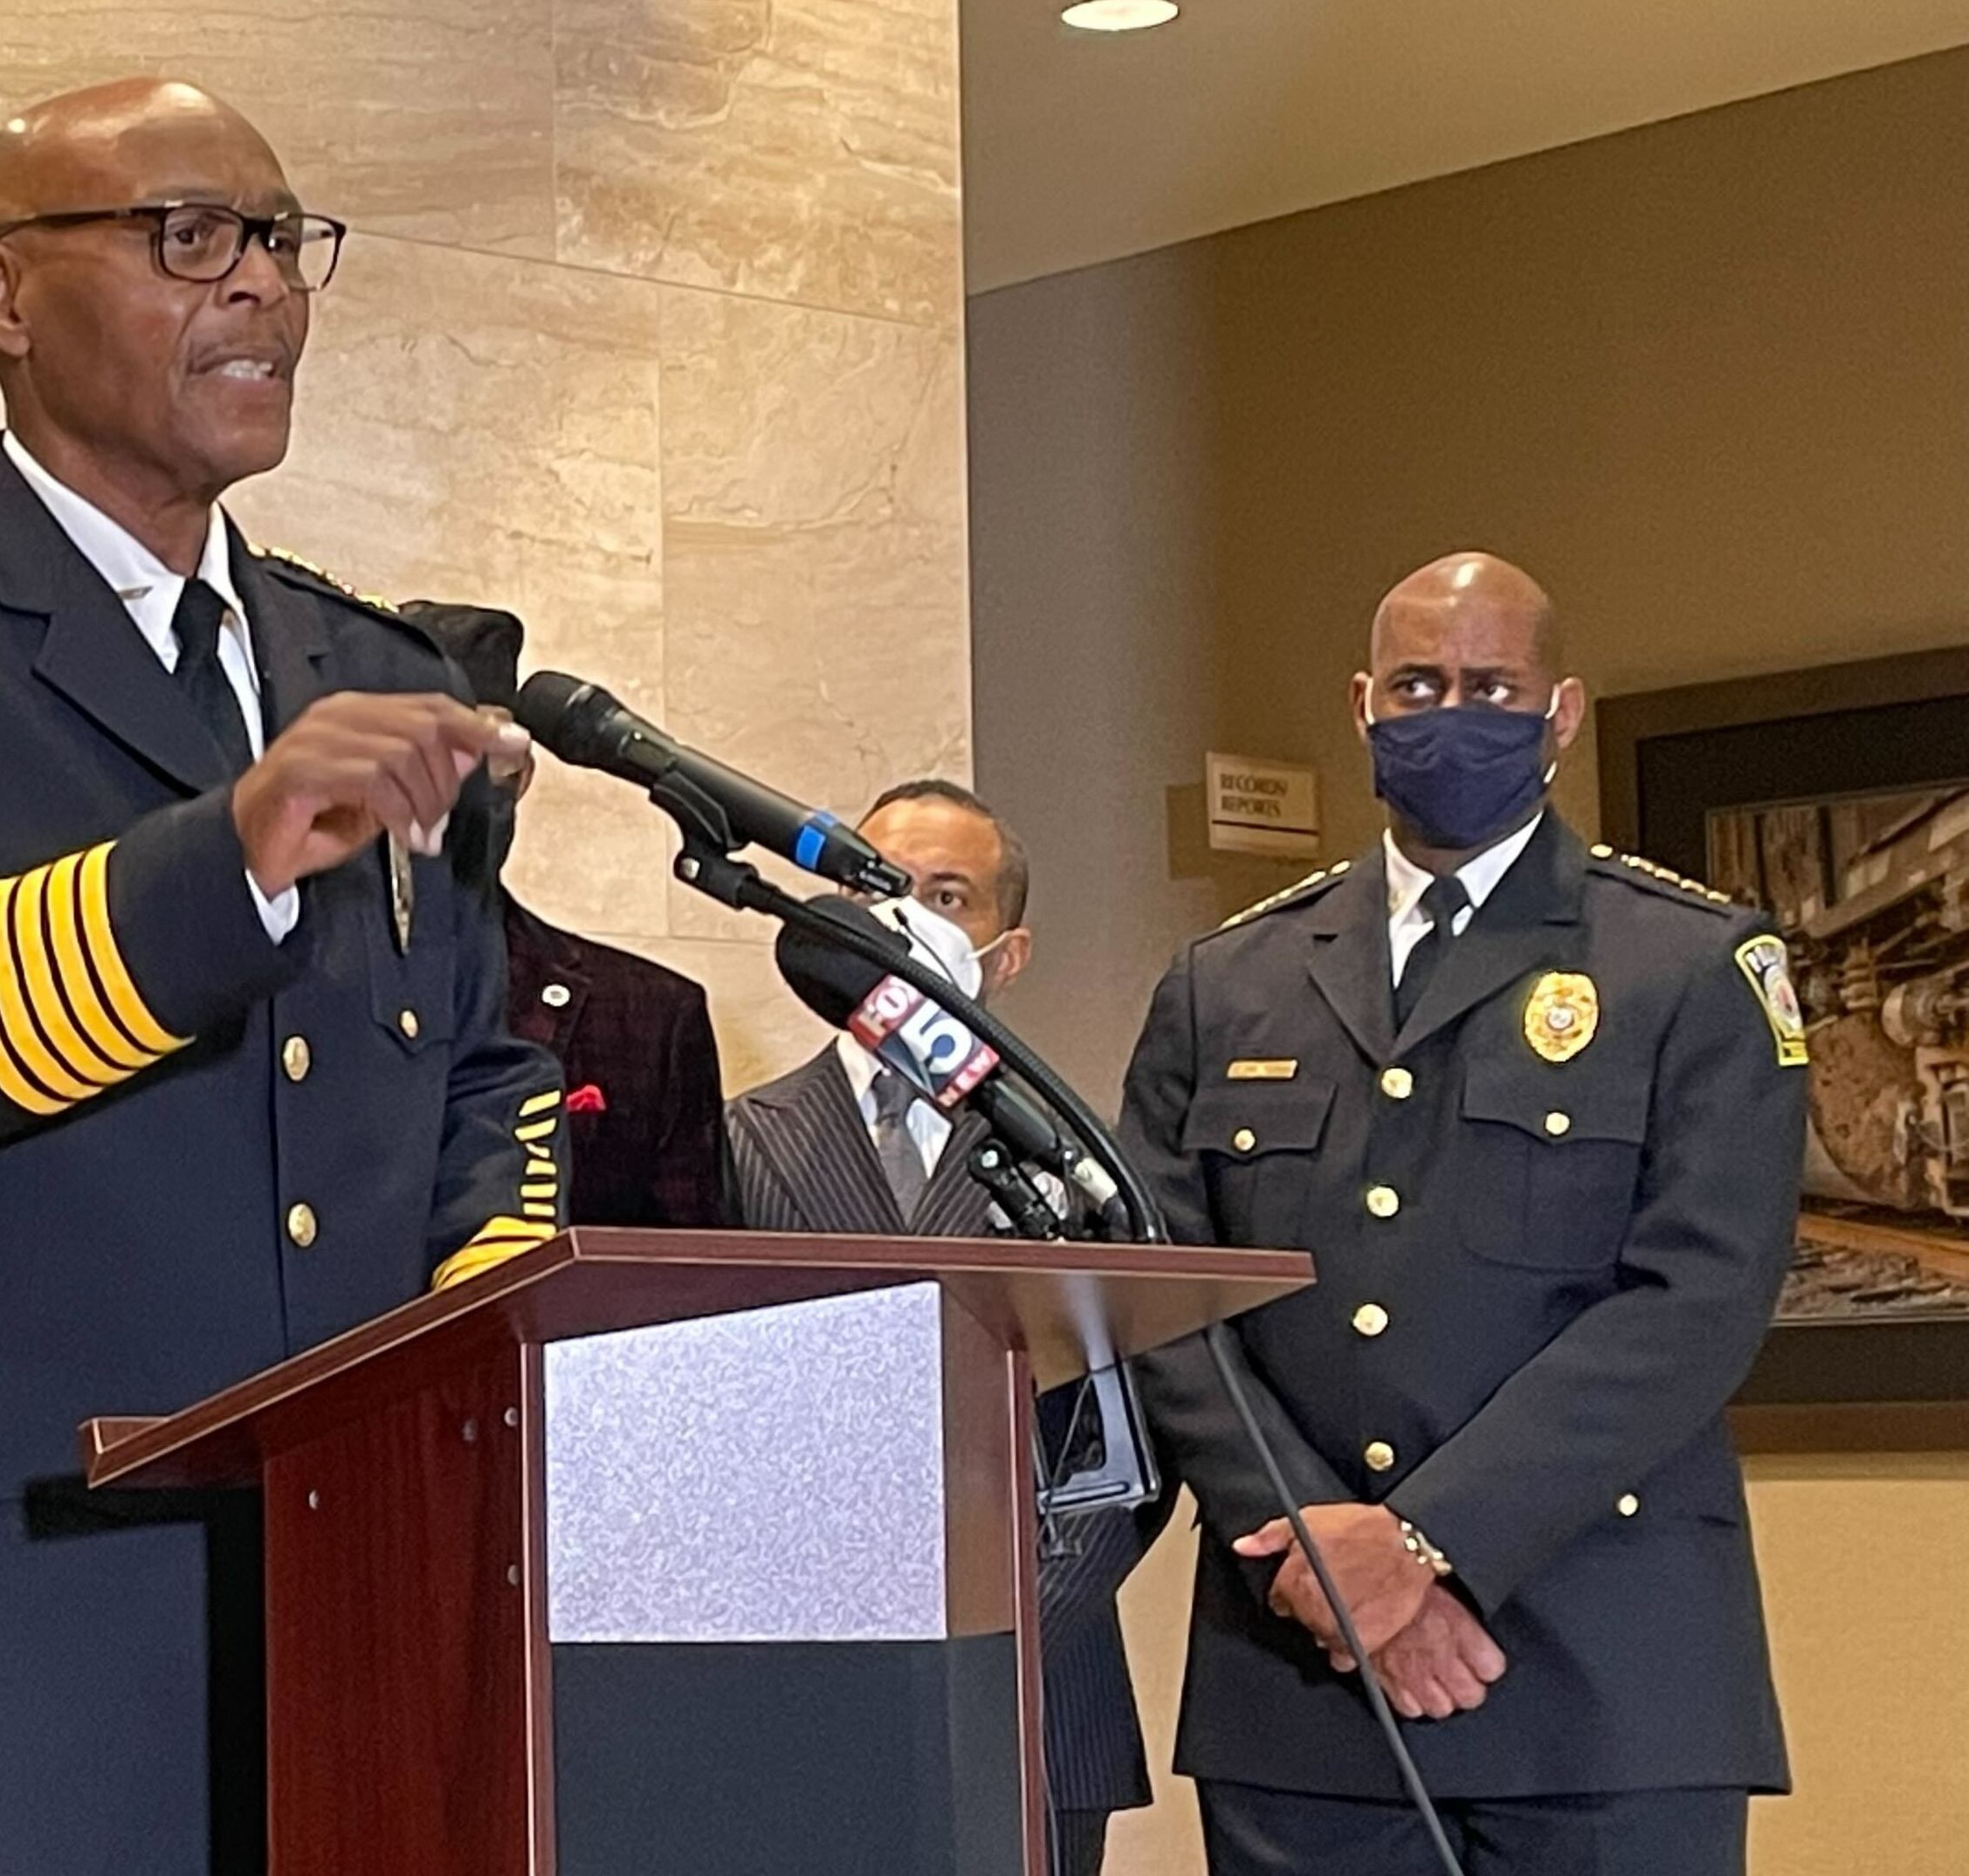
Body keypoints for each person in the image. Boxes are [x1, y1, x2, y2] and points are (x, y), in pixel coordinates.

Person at [0, 79, 559, 1876]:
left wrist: (489, 1363)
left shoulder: (368, 667)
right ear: (3, 296)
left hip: (353, 1648)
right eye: (187, 236)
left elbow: (479, 1083)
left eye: (283, 243)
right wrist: (206, 874)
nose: (263, 292)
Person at [1123, 552, 1804, 1874]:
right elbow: (1161, 1291)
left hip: (1603, 1681)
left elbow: (1699, 1302)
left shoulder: (1690, 963)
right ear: (1363, 703)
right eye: (1422, 683)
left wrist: (1426, 1546)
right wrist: (1329, 1564)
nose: (1453, 711)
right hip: (1303, 1685)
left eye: (1492, 685)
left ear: (1560, 713)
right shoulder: (1229, 982)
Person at [723, 778, 1160, 1875]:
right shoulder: (741, 1139)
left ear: (1004, 955)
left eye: (945, 895)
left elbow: (1132, 1439)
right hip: (797, 1695)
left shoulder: (1084, 1165)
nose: (902, 917)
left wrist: (998, 1621)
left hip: (1034, 1694)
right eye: (875, 885)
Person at [406, 600, 725, 1227]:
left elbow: (696, 1287)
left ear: (521, 775)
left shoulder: (647, 1016)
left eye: (481, 761)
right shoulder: (283, 989)